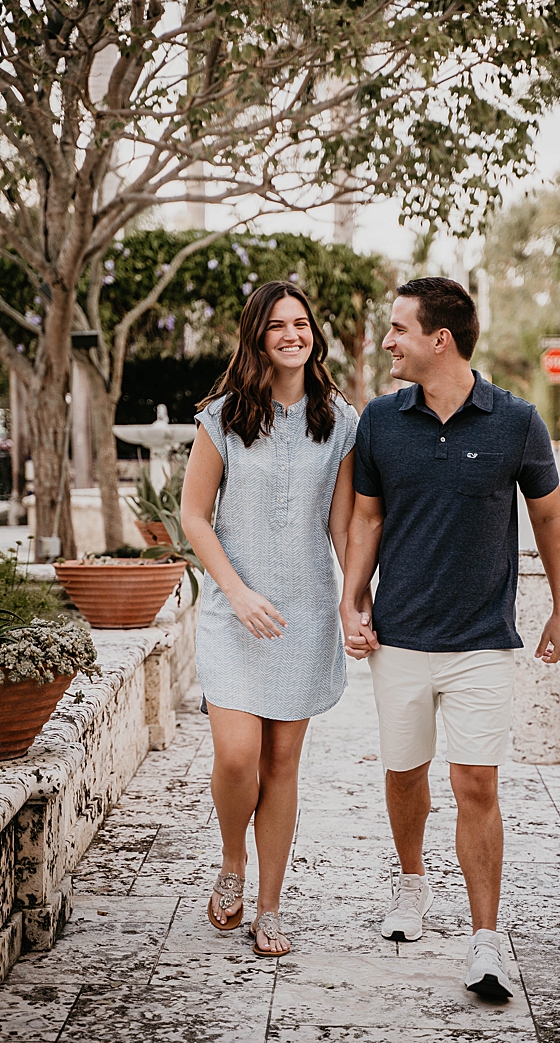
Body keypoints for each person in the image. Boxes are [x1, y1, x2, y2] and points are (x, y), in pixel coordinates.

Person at [339, 277, 560, 1002]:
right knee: (405, 772)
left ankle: (485, 940)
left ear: (439, 339)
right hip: (400, 637)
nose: (388, 341)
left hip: (482, 641)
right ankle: (412, 884)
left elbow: (550, 518)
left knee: (477, 783)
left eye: (398, 329)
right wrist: (352, 598)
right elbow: (367, 518)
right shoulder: (380, 421)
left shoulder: (517, 421)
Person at [182, 280, 360, 958]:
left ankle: (269, 905)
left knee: (282, 763)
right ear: (257, 336)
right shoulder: (221, 417)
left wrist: (354, 599)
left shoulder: (339, 420)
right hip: (235, 613)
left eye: (302, 323)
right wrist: (236, 591)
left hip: (303, 615)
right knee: (237, 758)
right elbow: (194, 516)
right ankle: (233, 858)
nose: (293, 334)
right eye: (278, 324)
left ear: (315, 334)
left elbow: (342, 525)